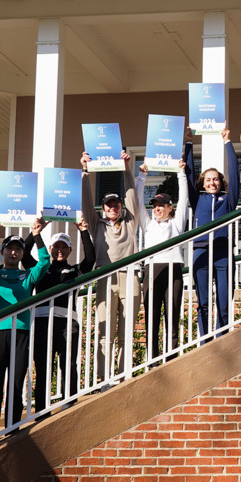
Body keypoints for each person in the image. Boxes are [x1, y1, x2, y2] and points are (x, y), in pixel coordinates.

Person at [80, 148, 141, 380]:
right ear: (103, 208)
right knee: (106, 331)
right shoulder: (97, 224)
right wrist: (85, 171)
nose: (112, 208)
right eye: (108, 205)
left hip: (130, 274)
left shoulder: (130, 220)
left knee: (127, 330)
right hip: (105, 277)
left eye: (115, 204)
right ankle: (104, 377)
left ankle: (124, 374)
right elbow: (86, 200)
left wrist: (127, 168)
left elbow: (132, 193)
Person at [0, 218, 50, 427]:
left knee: (16, 382)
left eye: (17, 249)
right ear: (2, 252)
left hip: (20, 333)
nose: (13, 252)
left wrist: (37, 236)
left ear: (22, 253)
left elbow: (45, 261)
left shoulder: (27, 275)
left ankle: (12, 428)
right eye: (9, 249)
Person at [23, 222, 94, 410]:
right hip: (41, 323)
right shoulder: (41, 269)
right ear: (50, 249)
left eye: (64, 247)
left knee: (68, 364)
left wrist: (83, 231)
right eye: (56, 247)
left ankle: (68, 403)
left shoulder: (74, 271)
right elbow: (24, 253)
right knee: (43, 367)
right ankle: (41, 410)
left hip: (66, 323)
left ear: (70, 250)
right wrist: (36, 233)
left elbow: (91, 259)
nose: (60, 250)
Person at [184, 127, 240, 337]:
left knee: (224, 303)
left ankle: (222, 341)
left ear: (220, 181)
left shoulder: (228, 200)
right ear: (203, 183)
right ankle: (205, 344)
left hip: (224, 253)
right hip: (201, 252)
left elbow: (235, 175)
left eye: (215, 179)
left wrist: (227, 142)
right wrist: (189, 144)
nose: (212, 182)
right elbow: (189, 175)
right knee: (204, 303)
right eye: (208, 180)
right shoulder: (197, 199)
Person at [136, 156, 189, 360]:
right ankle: (153, 360)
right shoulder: (148, 225)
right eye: (155, 205)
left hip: (173, 268)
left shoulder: (176, 224)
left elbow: (183, 199)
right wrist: (142, 175)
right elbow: (138, 204)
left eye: (161, 205)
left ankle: (171, 358)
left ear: (169, 208)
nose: (157, 208)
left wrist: (181, 173)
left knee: (172, 315)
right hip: (152, 270)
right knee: (152, 316)